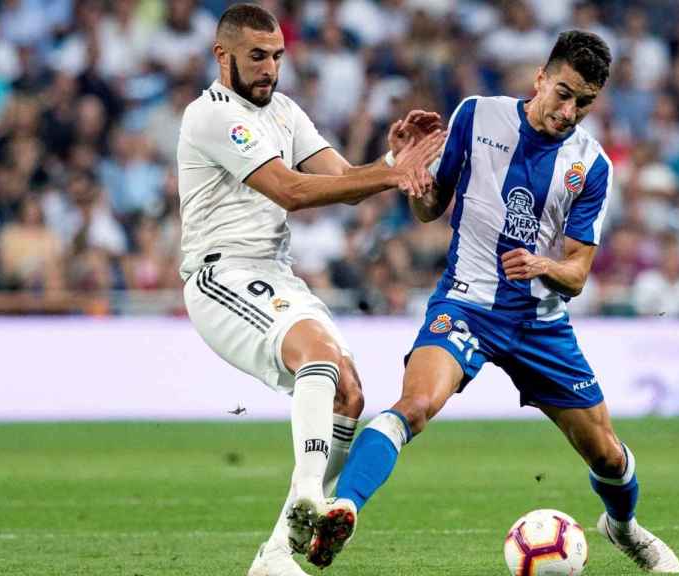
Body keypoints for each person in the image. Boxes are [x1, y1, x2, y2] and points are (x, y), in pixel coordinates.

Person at [311, 31, 679, 573]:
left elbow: (577, 274)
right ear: (540, 78)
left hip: (541, 324)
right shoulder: (476, 116)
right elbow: (429, 210)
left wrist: (544, 267)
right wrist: (411, 175)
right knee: (414, 406)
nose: (570, 110)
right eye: (563, 92)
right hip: (467, 304)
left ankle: (622, 527)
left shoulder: (590, 165)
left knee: (604, 451)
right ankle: (343, 507)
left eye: (585, 102)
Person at [176, 5, 444, 576]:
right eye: (257, 56)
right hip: (220, 274)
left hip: (273, 272)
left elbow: (344, 185)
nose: (270, 67)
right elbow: (292, 191)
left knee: (349, 392)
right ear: (221, 56)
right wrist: (394, 173)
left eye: (276, 55)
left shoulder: (285, 112)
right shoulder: (211, 115)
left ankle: (275, 556)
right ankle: (308, 492)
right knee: (318, 357)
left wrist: (393, 159)